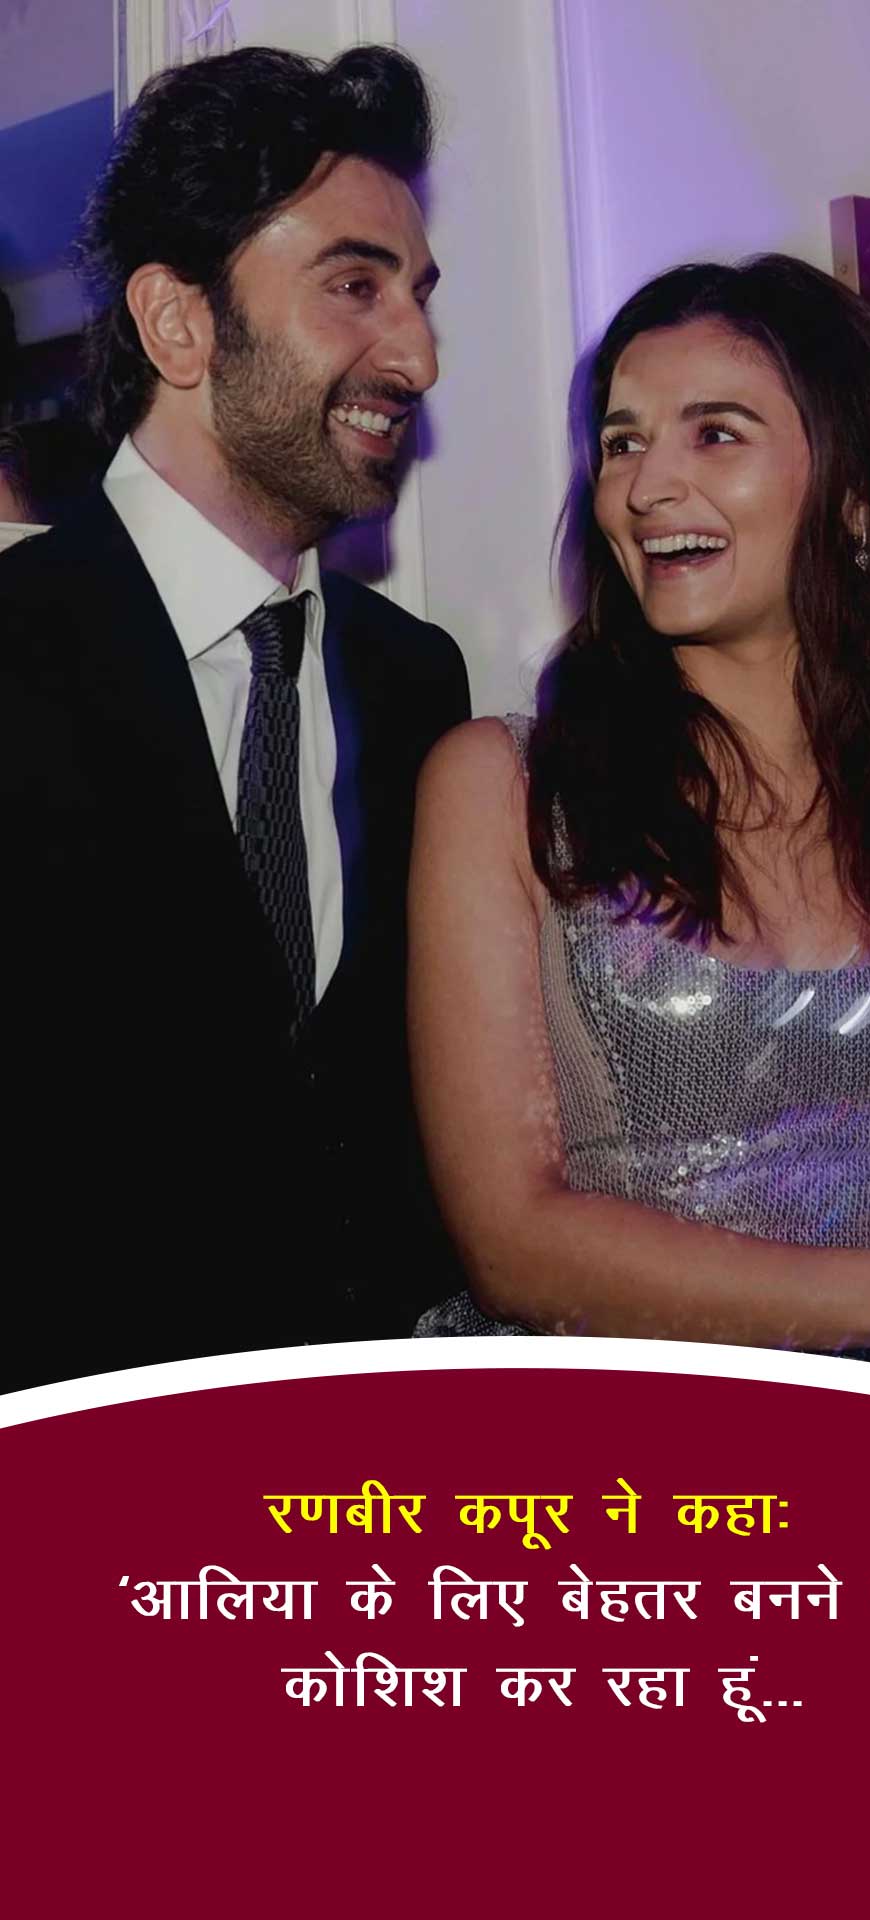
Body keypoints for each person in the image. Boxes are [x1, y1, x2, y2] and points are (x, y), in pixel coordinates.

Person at [409, 255, 870, 1398]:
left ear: (855, 492)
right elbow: (514, 1241)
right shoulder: (507, 788)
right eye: (623, 443)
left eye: (714, 434)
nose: (647, 488)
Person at [0, 45, 469, 1391]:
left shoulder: (418, 683)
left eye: (419, 296)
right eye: (355, 286)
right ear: (179, 324)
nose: (419, 354)